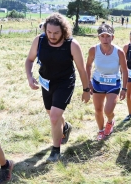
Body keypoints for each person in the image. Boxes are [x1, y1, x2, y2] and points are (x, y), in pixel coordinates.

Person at [25, 13, 91, 163]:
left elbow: (81, 69)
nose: (52, 36)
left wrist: (86, 90)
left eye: (56, 33)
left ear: (64, 31)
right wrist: (30, 77)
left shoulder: (72, 44)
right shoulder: (39, 41)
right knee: (53, 115)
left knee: (54, 116)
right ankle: (65, 127)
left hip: (64, 82)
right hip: (46, 82)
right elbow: (29, 60)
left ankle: (55, 151)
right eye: (49, 32)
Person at [86, 23, 128, 141]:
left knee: (108, 110)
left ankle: (110, 121)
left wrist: (124, 88)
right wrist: (88, 82)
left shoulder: (119, 52)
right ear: (99, 37)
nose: (105, 39)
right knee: (98, 110)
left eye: (108, 36)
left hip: (113, 84)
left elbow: (124, 70)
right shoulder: (93, 50)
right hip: (98, 83)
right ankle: (100, 131)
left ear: (112, 37)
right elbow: (88, 65)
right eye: (102, 36)